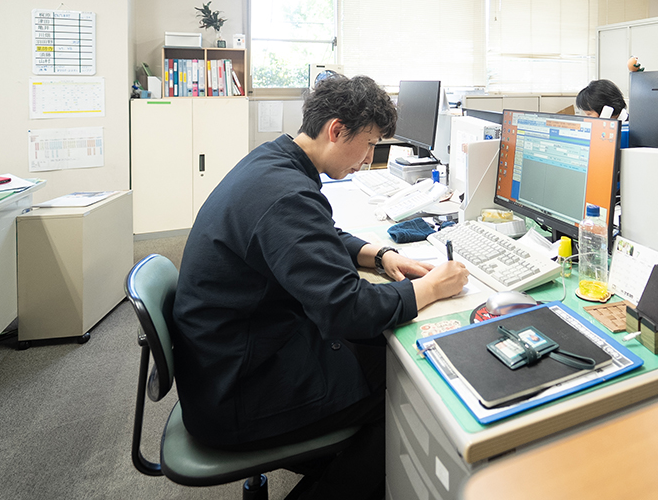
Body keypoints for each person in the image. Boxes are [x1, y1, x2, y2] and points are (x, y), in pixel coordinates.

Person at [171, 74, 468, 500]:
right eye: (369, 144)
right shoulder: (286, 194)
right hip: (239, 393)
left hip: (228, 360)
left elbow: (314, 234)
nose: (369, 159)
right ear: (336, 130)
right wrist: (434, 288)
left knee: (384, 353)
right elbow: (347, 310)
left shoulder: (274, 162)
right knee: (409, 389)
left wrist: (377, 255)